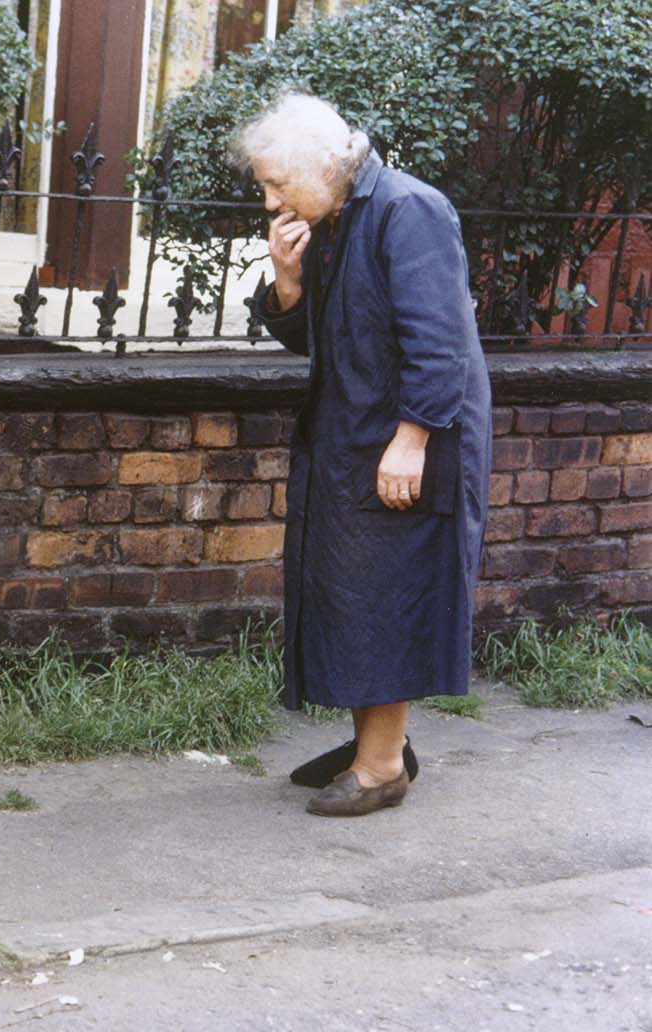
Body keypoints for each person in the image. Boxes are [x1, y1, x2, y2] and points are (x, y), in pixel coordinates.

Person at [237, 93, 491, 817]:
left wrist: (412, 440)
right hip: (354, 432)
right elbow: (320, 339)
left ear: (326, 165)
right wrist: (287, 282)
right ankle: (375, 746)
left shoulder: (409, 210)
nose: (269, 200)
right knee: (349, 588)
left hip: (411, 434)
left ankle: (382, 768)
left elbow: (440, 341)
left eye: (278, 183)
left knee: (387, 587)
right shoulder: (338, 217)